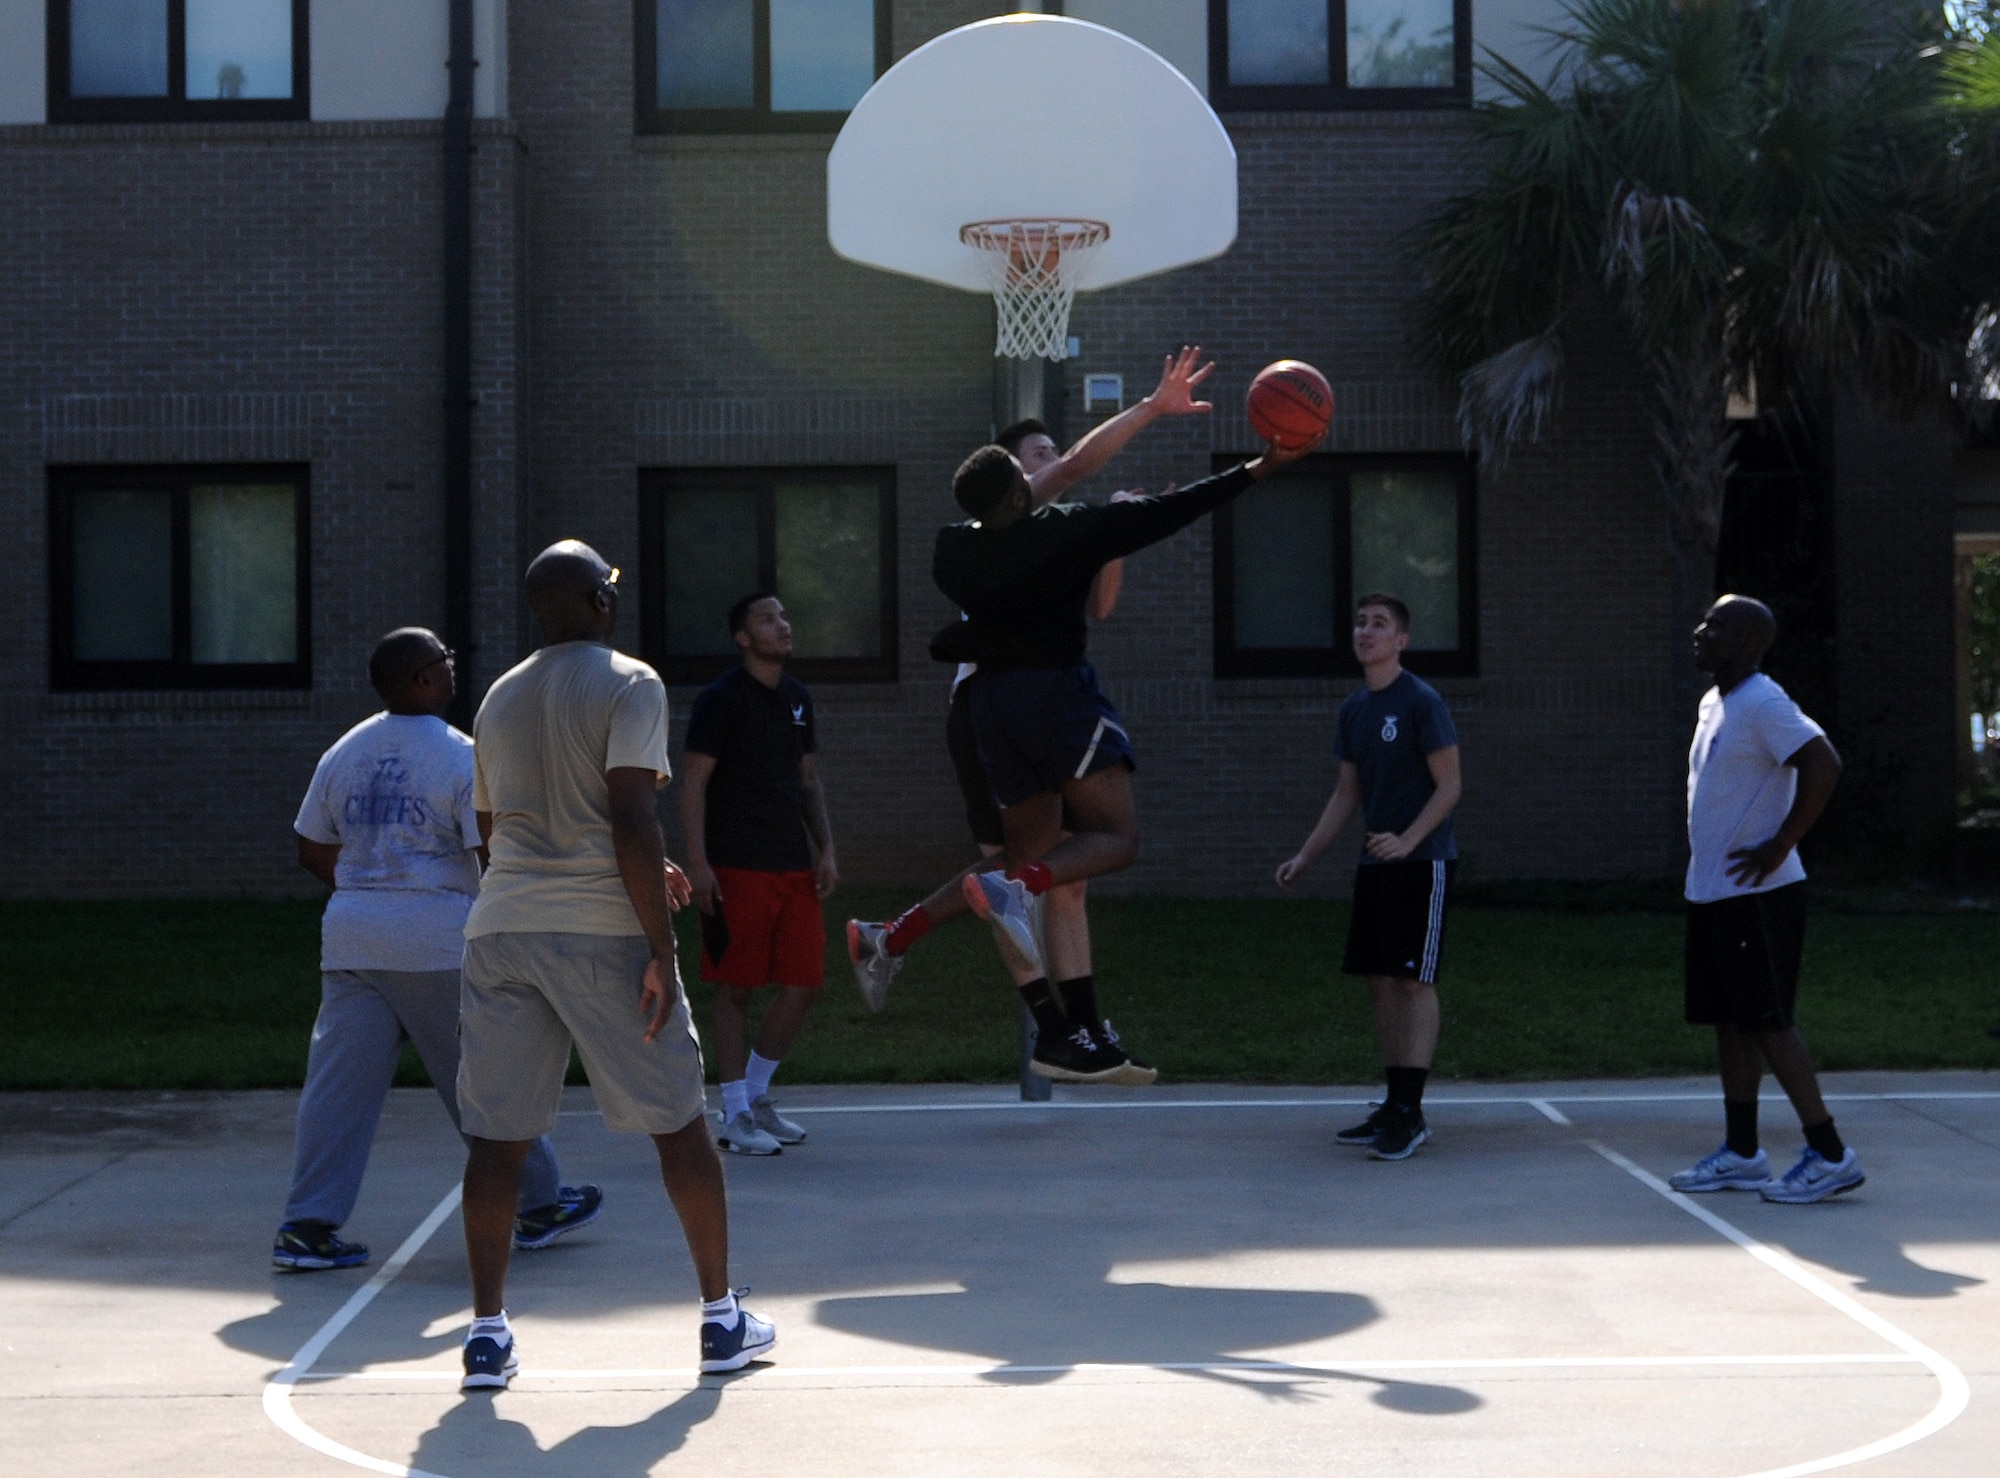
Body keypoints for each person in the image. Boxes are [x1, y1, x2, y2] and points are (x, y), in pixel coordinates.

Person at [849, 419, 1319, 1083]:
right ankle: (1052, 1001)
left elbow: (1072, 547)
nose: (1052, 465)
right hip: (1049, 699)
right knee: (1102, 845)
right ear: (1020, 490)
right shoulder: (1067, 528)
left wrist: (1109, 526)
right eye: (1031, 464)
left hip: (993, 710)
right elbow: (1170, 507)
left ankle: (1064, 1027)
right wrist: (1263, 464)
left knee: (1045, 873)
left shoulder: (952, 549)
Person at [455, 542, 773, 1390]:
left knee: (498, 1138)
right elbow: (631, 814)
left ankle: (486, 1337)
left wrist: (574, 873)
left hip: (501, 928)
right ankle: (720, 1321)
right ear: (600, 602)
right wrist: (661, 949)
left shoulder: (495, 696)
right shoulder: (631, 681)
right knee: (679, 1124)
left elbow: (497, 834)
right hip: (602, 929)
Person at [275, 627, 598, 1272]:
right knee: (485, 1083)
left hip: (352, 940)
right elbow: (492, 852)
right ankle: (538, 1205)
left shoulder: (344, 751)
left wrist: (375, 887)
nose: (453, 669)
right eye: (444, 661)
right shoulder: (460, 756)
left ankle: (306, 1228)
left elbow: (312, 850)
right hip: (436, 945)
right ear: (422, 679)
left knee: (338, 1091)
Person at [1667, 595, 1863, 1204]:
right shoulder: (1714, 702)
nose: (1702, 631)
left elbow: (1823, 762)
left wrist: (1782, 843)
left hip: (1759, 894)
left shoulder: (1763, 700)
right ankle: (1743, 1152)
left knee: (1769, 1020)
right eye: (1705, 621)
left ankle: (1830, 1154)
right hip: (1715, 890)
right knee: (1731, 1021)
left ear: (1749, 644)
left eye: (1718, 626)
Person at [1275, 595, 1463, 1161]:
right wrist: (1306, 856)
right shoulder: (1354, 710)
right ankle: (1393, 1102)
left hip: (1422, 864)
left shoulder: (1423, 702)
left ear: (1401, 640)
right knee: (1380, 982)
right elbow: (1346, 794)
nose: (1366, 631)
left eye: (1379, 624)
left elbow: (1451, 786)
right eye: (1360, 621)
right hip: (1374, 866)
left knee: (1413, 982)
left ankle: (1412, 1109)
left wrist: (1408, 839)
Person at [681, 593, 839, 1157]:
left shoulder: (797, 697)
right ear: (743, 638)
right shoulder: (723, 699)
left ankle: (757, 1095)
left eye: (784, 616)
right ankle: (733, 1112)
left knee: (803, 983)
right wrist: (697, 864)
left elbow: (808, 780)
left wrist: (826, 847)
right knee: (735, 989)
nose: (782, 625)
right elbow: (693, 783)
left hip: (792, 865)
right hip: (735, 865)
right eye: (766, 619)